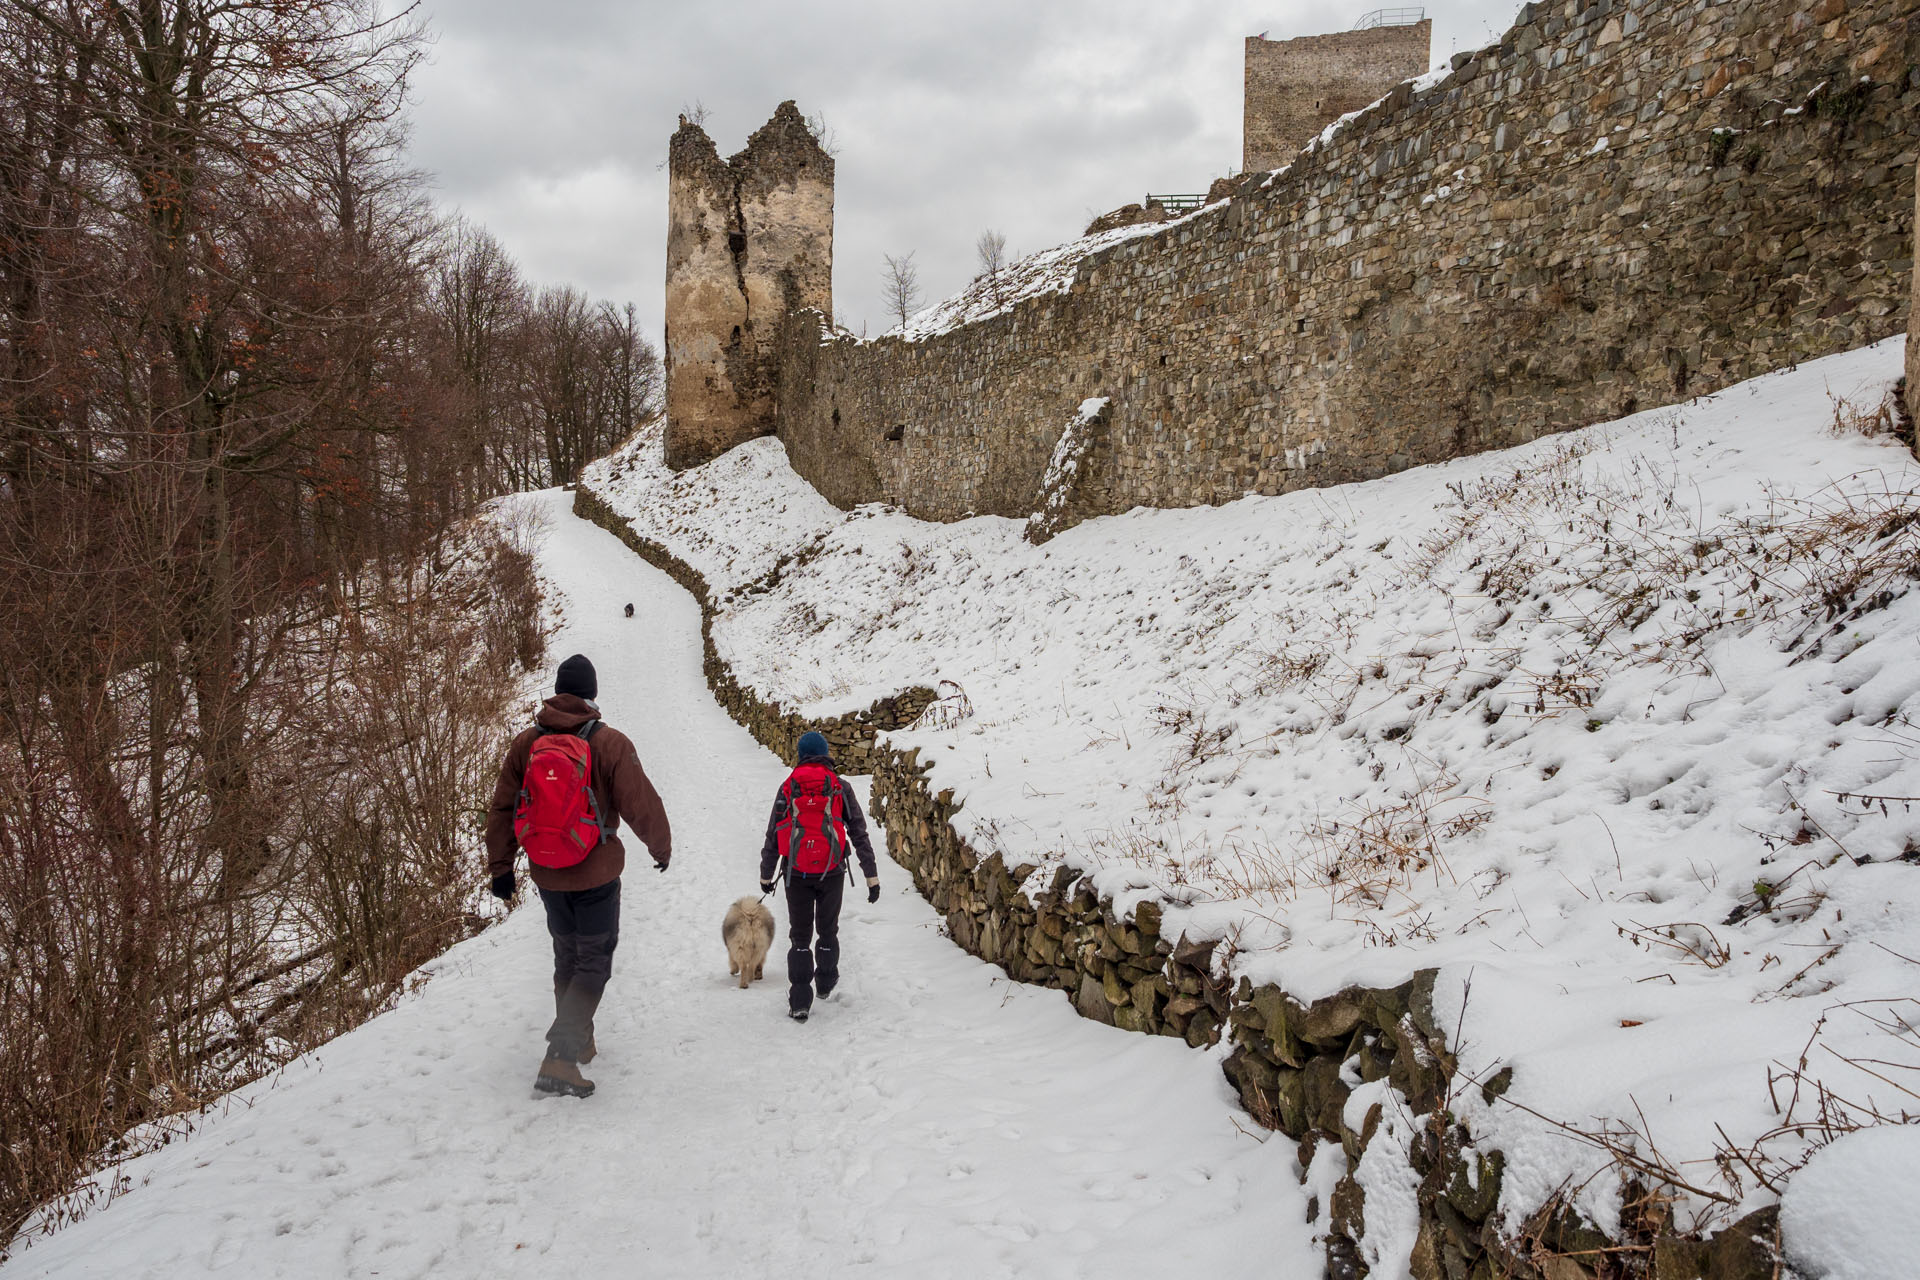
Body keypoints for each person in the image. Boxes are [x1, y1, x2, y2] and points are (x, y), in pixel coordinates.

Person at [486, 654, 672, 1098]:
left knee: (566, 958)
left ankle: (580, 1039)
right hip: (596, 874)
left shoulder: (526, 744)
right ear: (591, 694)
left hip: (548, 873)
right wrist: (660, 846)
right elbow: (639, 800)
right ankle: (560, 1057)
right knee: (594, 961)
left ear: (557, 690)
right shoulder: (609, 743)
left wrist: (501, 867)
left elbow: (503, 808)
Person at [759, 730, 880, 1022]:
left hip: (795, 873)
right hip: (832, 871)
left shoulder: (789, 786)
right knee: (828, 930)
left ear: (800, 755)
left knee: (800, 937)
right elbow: (858, 832)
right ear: (825, 753)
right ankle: (825, 982)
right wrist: (871, 875)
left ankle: (800, 1001)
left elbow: (775, 833)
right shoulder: (839, 786)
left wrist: (766, 873)